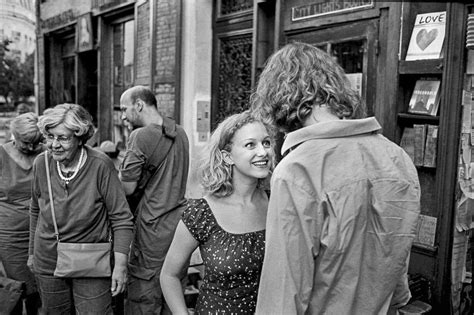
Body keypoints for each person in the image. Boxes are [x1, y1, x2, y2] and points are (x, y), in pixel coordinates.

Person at [250, 42, 421, 314]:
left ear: (280, 95)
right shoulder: (397, 157)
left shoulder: (298, 169)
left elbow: (282, 295)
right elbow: (398, 269)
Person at [161, 110, 274, 314]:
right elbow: (169, 275)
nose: (263, 152)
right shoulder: (202, 213)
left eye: (266, 143)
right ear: (227, 156)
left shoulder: (278, 202)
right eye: (251, 144)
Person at [28, 103, 134, 314]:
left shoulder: (100, 165)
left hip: (92, 261)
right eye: (50, 137)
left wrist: (120, 266)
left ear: (80, 137)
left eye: (63, 138)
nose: (54, 145)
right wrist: (32, 253)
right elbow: (35, 209)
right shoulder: (41, 163)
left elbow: (121, 218)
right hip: (49, 261)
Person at [119, 85, 190, 314]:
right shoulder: (180, 132)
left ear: (139, 105)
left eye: (124, 109)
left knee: (144, 294)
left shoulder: (139, 136)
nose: (122, 116)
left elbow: (128, 188)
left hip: (151, 227)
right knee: (173, 286)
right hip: (178, 225)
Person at [0, 113, 44, 314]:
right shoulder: (1, 155)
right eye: (25, 143)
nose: (31, 148)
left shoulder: (45, 154)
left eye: (35, 143)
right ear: (13, 135)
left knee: (41, 287)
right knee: (16, 287)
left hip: (42, 233)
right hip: (10, 235)